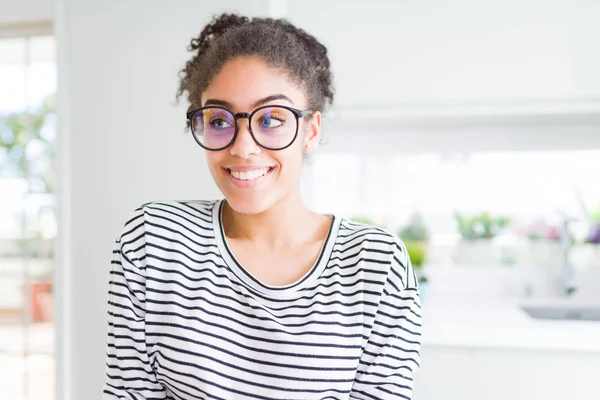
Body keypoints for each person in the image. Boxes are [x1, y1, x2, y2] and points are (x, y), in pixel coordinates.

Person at [102, 12, 421, 400]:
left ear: (311, 131)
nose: (242, 147)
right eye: (219, 120)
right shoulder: (152, 242)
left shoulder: (377, 264)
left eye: (271, 118)